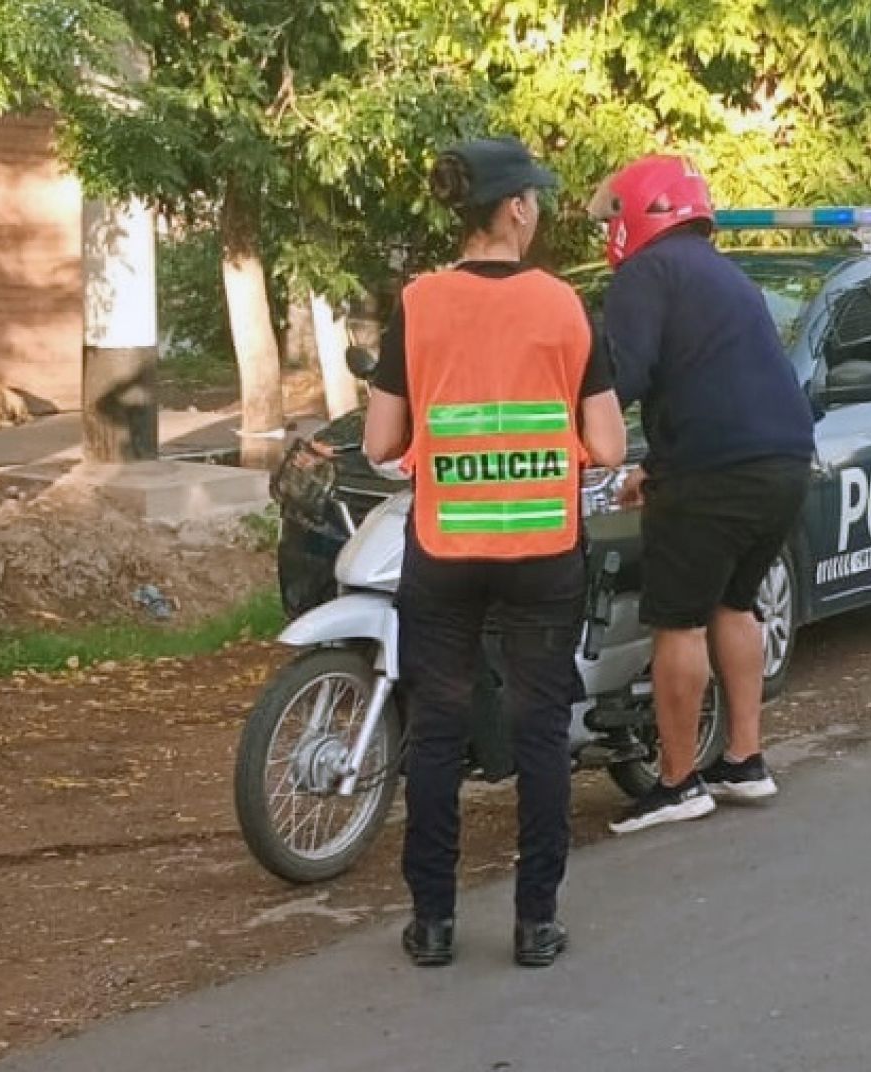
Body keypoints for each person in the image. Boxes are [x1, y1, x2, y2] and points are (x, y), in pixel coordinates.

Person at [363, 136, 627, 968]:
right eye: (534, 199)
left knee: (438, 733)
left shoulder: (419, 304)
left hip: (444, 553)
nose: (537, 210)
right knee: (541, 731)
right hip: (544, 554)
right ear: (514, 209)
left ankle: (433, 924)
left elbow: (380, 440)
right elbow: (609, 446)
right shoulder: (563, 307)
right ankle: (536, 923)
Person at [591, 156, 816, 836]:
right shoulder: (725, 275)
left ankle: (677, 781)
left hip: (715, 474)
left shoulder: (645, 274)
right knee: (734, 603)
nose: (608, 231)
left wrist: (572, 426)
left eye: (611, 217)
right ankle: (744, 759)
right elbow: (716, 384)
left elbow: (621, 379)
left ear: (639, 213)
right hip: (785, 463)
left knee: (678, 620)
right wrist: (659, 466)